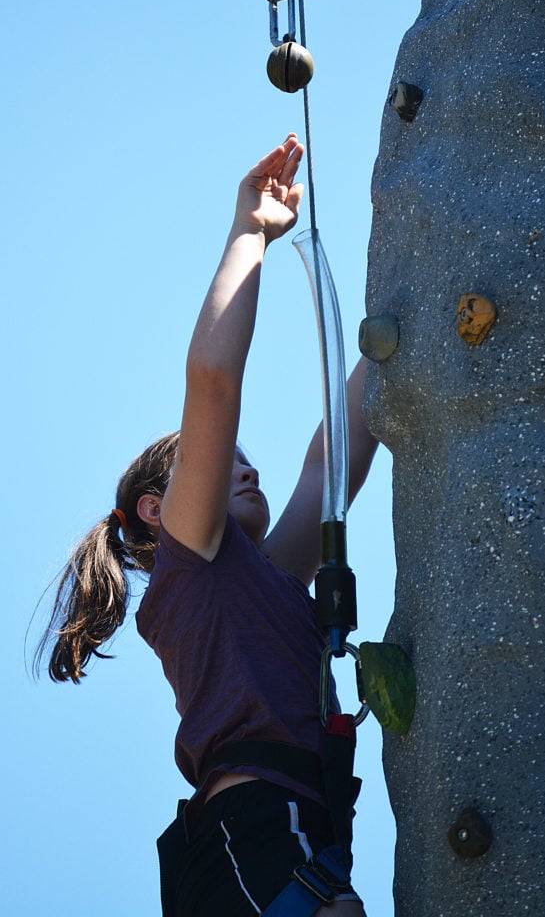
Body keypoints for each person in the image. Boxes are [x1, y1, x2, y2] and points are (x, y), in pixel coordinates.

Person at [38, 134, 378, 916]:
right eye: (223, 462)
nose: (246, 467)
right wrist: (250, 231)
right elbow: (214, 381)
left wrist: (394, 329)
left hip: (293, 835)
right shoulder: (193, 563)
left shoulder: (265, 580)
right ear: (161, 509)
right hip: (254, 831)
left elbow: (332, 466)